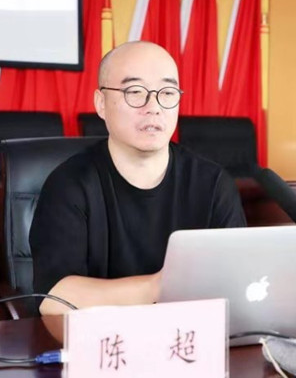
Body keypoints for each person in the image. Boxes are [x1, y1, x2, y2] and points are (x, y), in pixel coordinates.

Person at [30, 41, 246, 316]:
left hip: (189, 334)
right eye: (135, 92)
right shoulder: (69, 184)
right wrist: (160, 286)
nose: (153, 107)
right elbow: (53, 298)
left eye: (167, 93)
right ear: (101, 104)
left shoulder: (213, 184)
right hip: (104, 337)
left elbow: (236, 282)